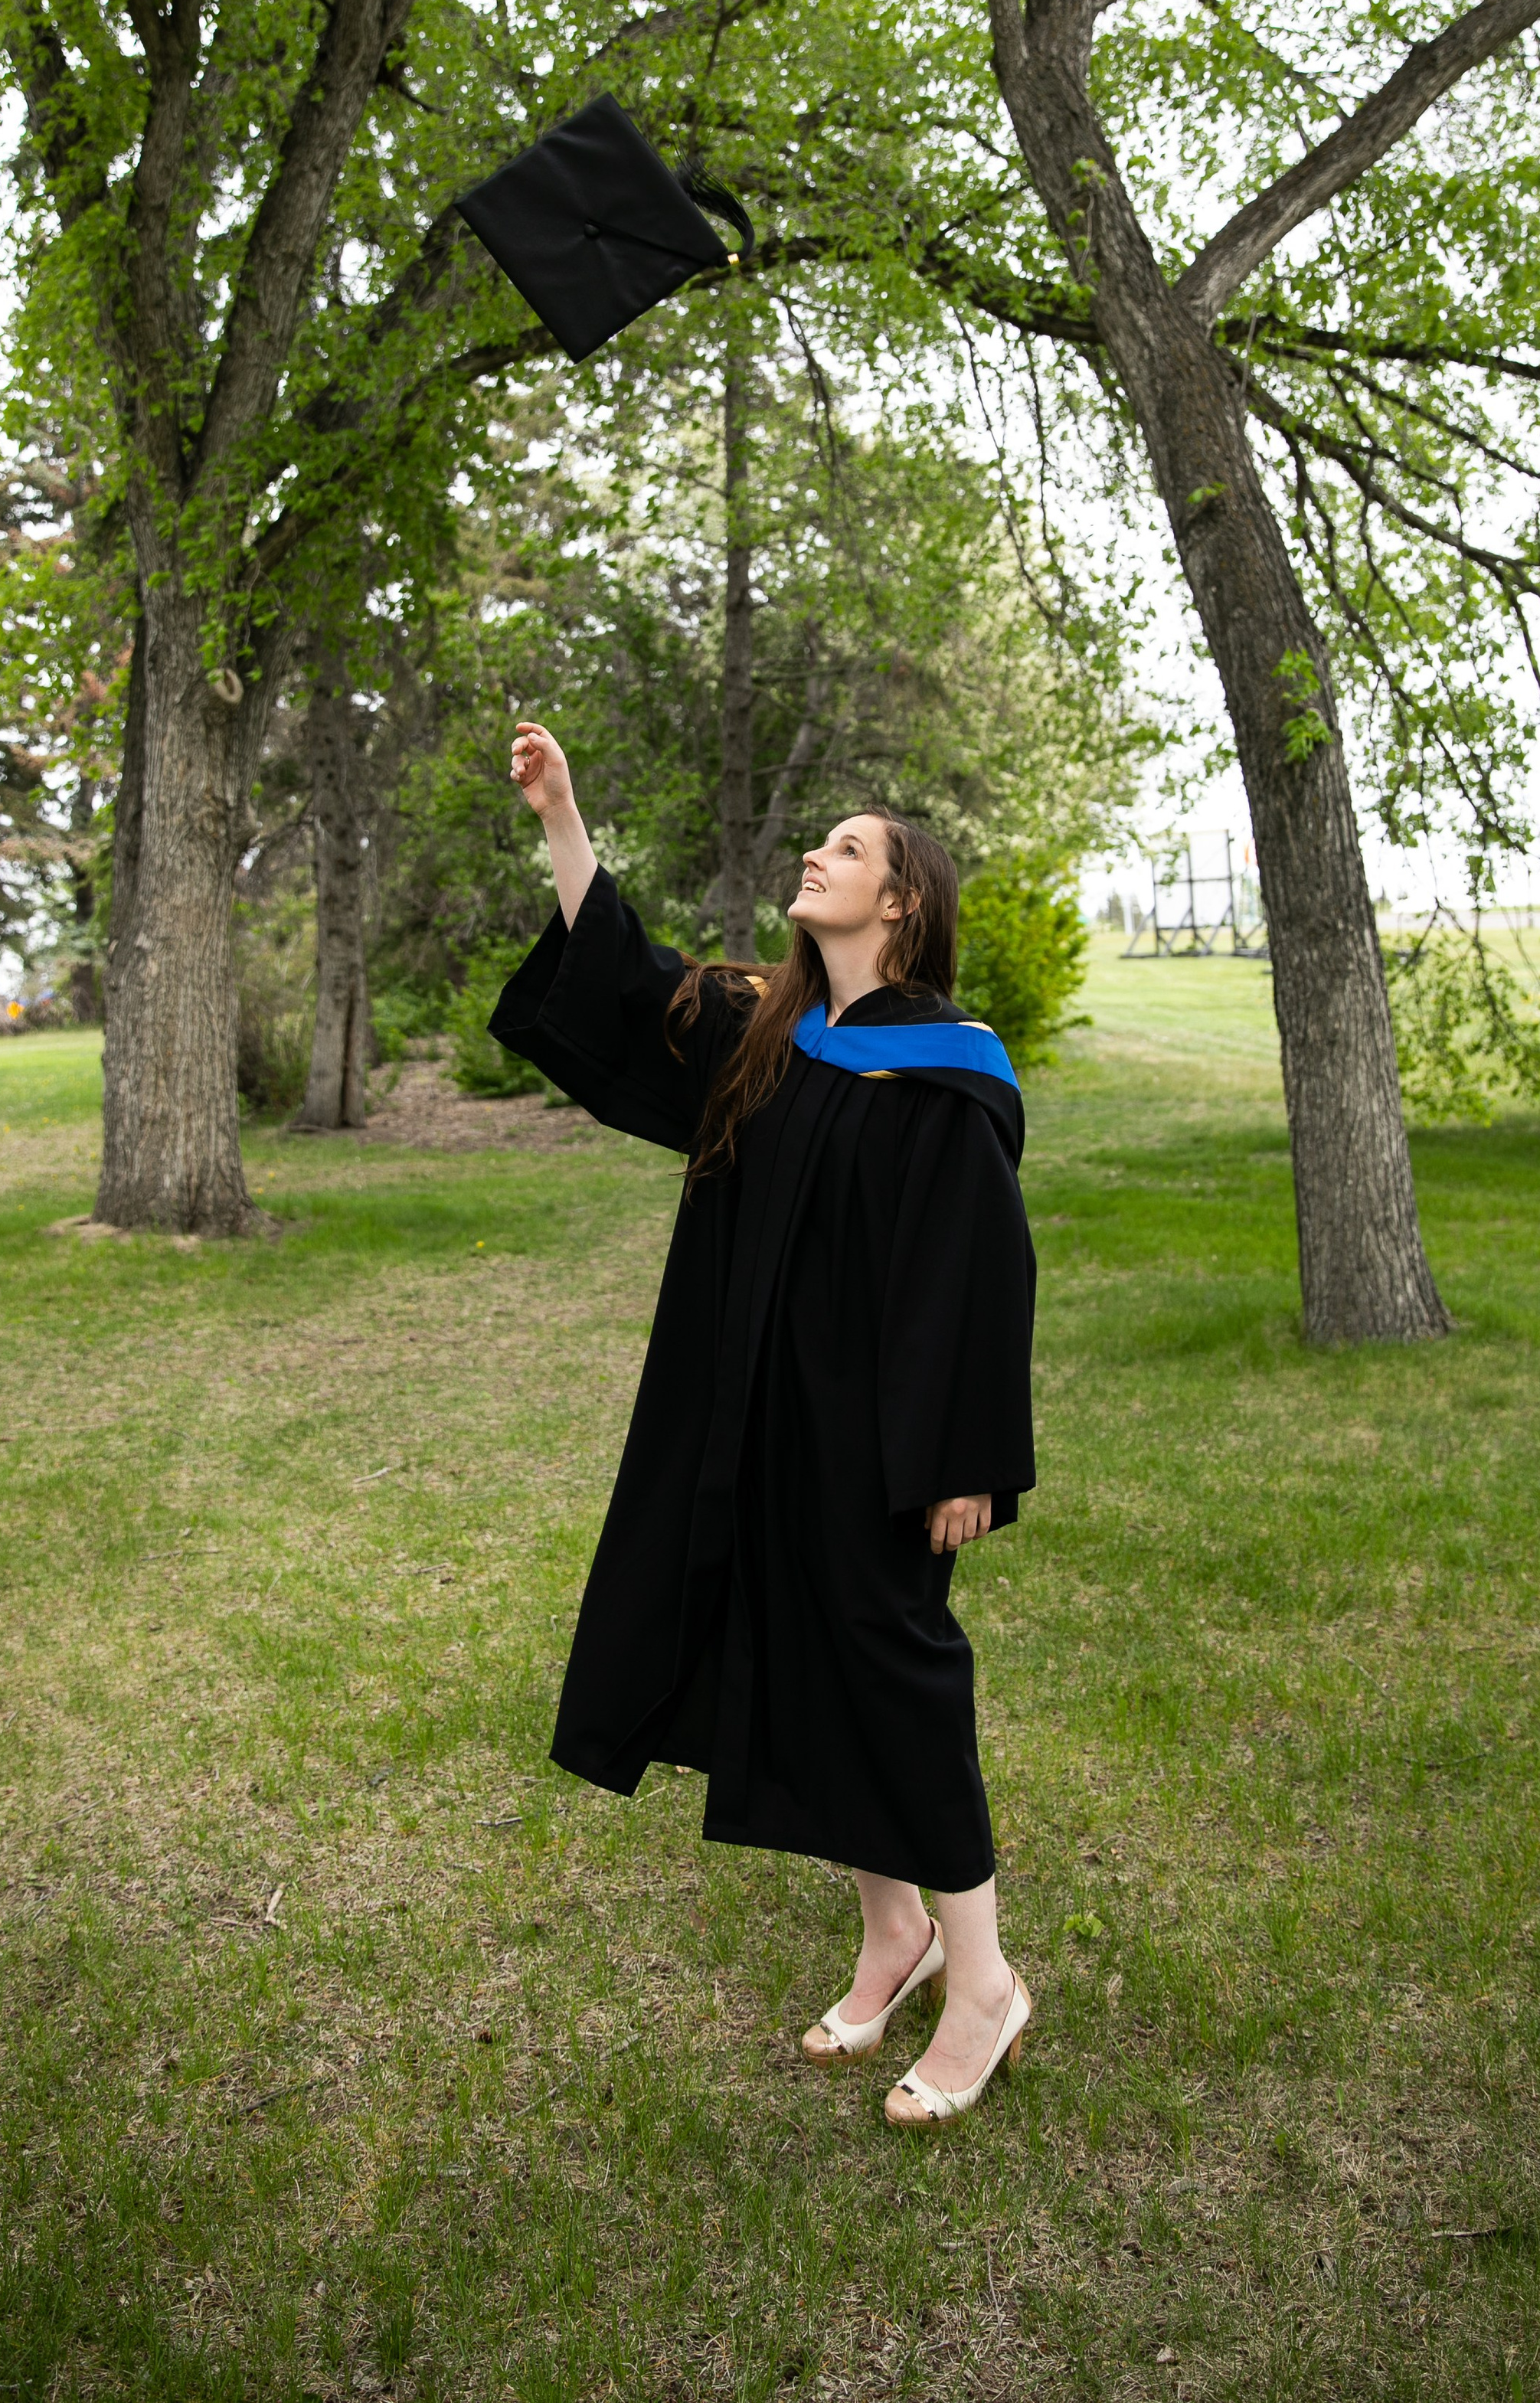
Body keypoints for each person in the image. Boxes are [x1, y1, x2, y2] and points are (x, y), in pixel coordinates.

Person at [492, 721, 1038, 2126]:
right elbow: (626, 980)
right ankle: (894, 1933)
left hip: (880, 1441)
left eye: (847, 849)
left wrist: (967, 1456)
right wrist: (562, 816)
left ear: (899, 901)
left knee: (894, 1674)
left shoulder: (948, 1071)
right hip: (762, 1421)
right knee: (799, 1659)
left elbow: (978, 1273)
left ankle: (983, 1980)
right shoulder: (769, 1029)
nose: (816, 853)